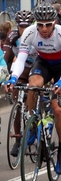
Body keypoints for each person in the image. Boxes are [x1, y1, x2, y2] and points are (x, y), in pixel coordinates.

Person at [4, 3, 61, 175]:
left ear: (55, 22)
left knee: (58, 110)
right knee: (32, 85)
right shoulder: (30, 31)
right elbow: (20, 59)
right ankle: (33, 123)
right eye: (40, 24)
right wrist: (13, 77)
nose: (43, 29)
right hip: (43, 63)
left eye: (48, 24)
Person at [3, 11, 37, 156]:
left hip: (37, 67)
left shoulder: (37, 34)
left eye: (26, 26)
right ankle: (18, 140)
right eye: (21, 26)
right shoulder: (13, 36)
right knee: (17, 102)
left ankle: (34, 122)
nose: (23, 29)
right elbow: (6, 58)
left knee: (33, 90)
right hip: (22, 68)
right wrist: (4, 75)